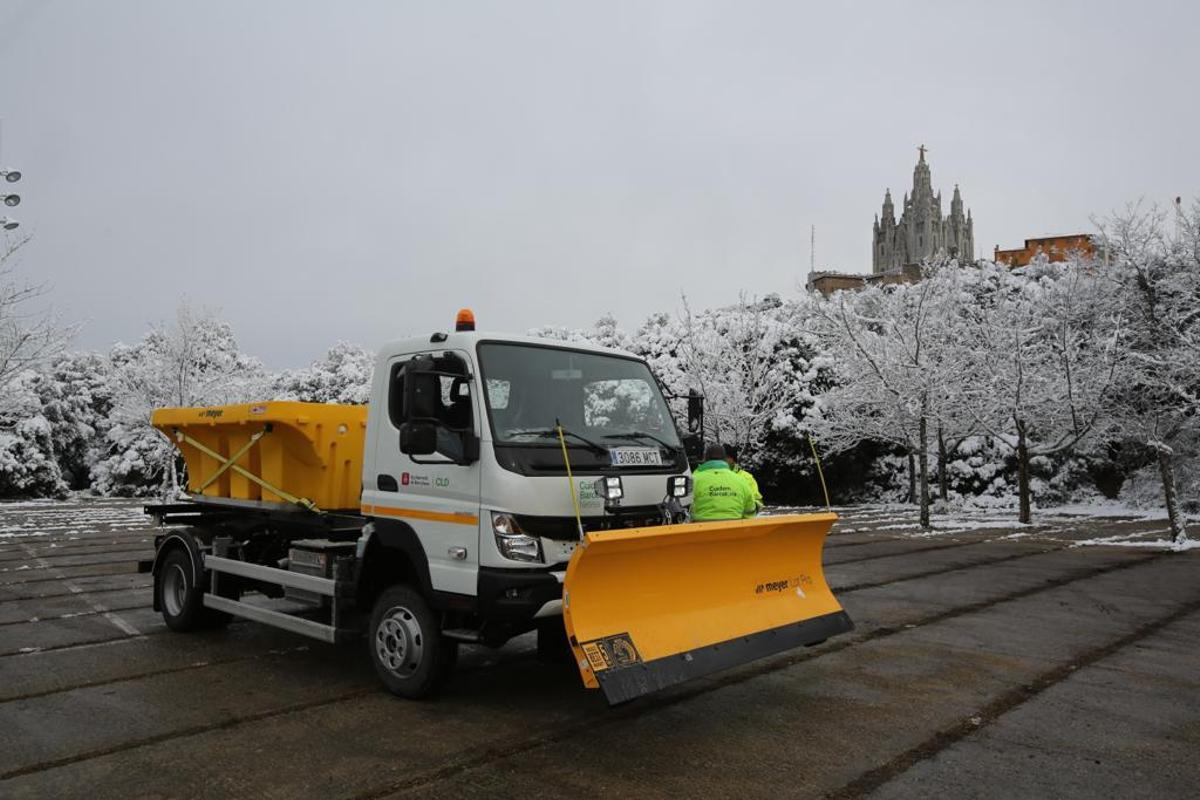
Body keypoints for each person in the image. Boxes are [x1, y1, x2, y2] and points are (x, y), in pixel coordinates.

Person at [691, 443, 756, 521]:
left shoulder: (694, 480)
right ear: (724, 459)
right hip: (734, 529)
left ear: (705, 459)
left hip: (701, 530)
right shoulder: (741, 480)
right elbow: (750, 511)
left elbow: (685, 508)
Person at [724, 444, 763, 514]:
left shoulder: (746, 477)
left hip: (741, 520)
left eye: (726, 457)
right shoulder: (712, 476)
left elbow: (757, 501)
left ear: (733, 459)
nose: (723, 461)